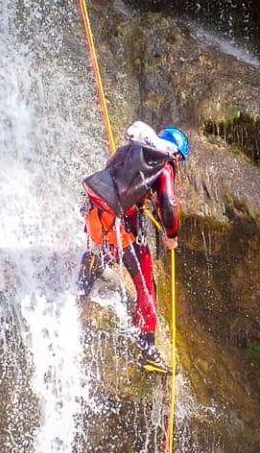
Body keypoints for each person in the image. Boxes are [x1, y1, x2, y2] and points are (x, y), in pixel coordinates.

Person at [78, 121, 190, 372]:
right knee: (146, 285)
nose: (178, 164)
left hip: (96, 219)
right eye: (180, 159)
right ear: (176, 152)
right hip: (123, 228)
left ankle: (79, 291)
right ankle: (148, 350)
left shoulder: (128, 151)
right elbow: (168, 203)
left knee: (101, 253)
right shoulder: (163, 162)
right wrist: (172, 234)